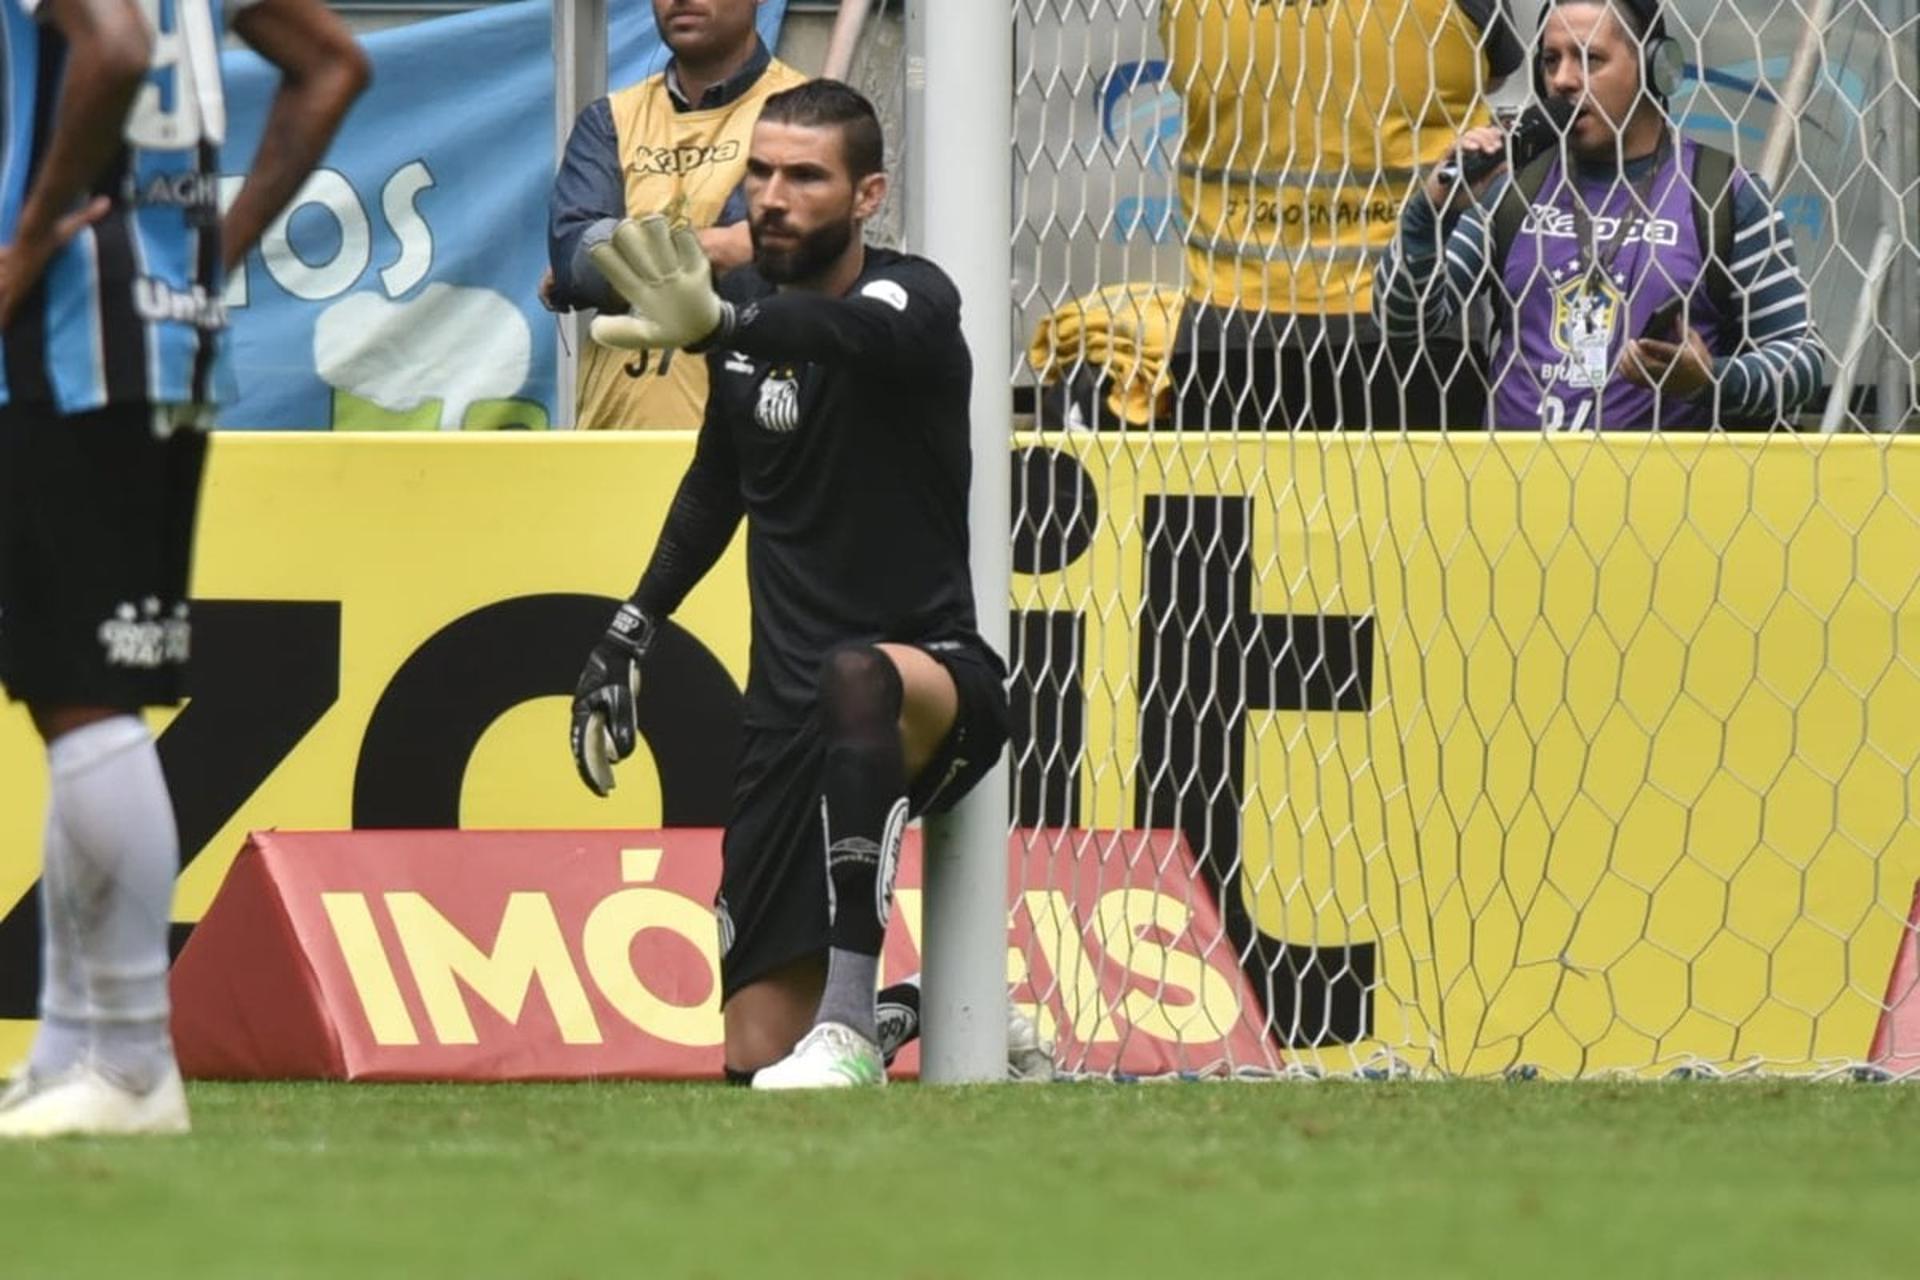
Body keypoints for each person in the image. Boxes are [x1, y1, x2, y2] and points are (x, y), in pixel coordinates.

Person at [569, 80, 1045, 1089]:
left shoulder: (916, 300)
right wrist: (629, 628)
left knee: (855, 674)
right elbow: (715, 490)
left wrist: (721, 331)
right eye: (762, 174)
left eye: (806, 177)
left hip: (932, 685)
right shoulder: (741, 319)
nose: (774, 198)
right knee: (751, 1055)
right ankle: (926, 1006)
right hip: (784, 723)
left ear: (867, 194)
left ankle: (850, 1033)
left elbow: (851, 337)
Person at [0, 0, 367, 1138]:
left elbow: (112, 45)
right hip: (159, 329)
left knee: (84, 699)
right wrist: (210, 253)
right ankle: (72, 1049)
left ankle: (131, 1058)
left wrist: (27, 241)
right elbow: (331, 66)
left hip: (72, 339)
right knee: (78, 694)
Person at [1374, 0, 1823, 429]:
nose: (1563, 80)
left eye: (1589, 59)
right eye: (1551, 60)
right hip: (1515, 491)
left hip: (1660, 496)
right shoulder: (1511, 186)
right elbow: (1404, 320)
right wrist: (1430, 211)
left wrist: (1711, 381)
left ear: (1653, 68)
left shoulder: (1721, 193)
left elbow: (1802, 359)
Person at [1155, 0, 1526, 430]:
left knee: (1243, 495)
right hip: (1413, 317)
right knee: (1415, 495)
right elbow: (1495, 72)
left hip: (1237, 317)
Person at [545, 0, 805, 430]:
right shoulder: (609, 118)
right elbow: (578, 264)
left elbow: (767, 264)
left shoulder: (806, 112)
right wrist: (721, 244)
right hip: (611, 445)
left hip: (751, 452)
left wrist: (619, 256)